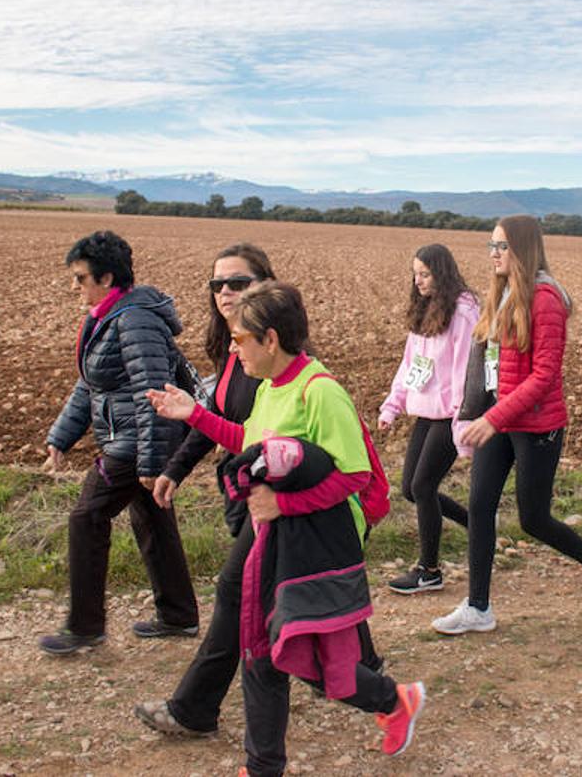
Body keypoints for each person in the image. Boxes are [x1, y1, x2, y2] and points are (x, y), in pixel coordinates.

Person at [147, 281, 425, 774]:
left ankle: (394, 701)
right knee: (260, 649)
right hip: (270, 536)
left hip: (315, 547)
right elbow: (249, 441)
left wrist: (284, 503)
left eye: (240, 339)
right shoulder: (271, 389)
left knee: (320, 666)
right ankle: (264, 765)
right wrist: (196, 415)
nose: (233, 349)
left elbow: (355, 474)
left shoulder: (321, 393)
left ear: (270, 339)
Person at [434, 215, 582, 635]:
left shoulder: (545, 300)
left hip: (537, 425)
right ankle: (478, 606)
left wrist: (492, 417)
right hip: (500, 418)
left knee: (533, 519)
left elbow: (543, 377)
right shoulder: (502, 295)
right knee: (480, 506)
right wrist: (475, 412)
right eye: (491, 245)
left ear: (523, 249)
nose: (494, 254)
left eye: (502, 246)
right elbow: (488, 366)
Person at [133, 243, 274, 737]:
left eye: (238, 283)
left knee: (237, 593)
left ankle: (193, 710)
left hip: (274, 500)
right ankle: (368, 678)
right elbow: (212, 417)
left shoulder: (276, 354)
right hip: (242, 491)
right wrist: (175, 468)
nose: (225, 293)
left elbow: (264, 440)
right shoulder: (234, 348)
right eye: (218, 284)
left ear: (264, 285)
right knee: (296, 593)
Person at [39, 230, 198, 655]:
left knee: (86, 517)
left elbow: (153, 390)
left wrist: (149, 461)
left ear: (106, 278)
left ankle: (84, 626)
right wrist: (61, 436)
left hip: (136, 439)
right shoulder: (108, 316)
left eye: (80, 278)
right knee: (151, 515)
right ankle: (178, 615)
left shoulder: (134, 319)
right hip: (133, 436)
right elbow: (91, 385)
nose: (74, 287)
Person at [377, 244, 479, 594]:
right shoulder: (423, 309)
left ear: (442, 273)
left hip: (450, 414)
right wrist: (392, 406)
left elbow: (467, 369)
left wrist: (462, 422)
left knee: (422, 487)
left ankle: (429, 570)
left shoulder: (463, 313)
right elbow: (411, 365)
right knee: (410, 489)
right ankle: (479, 524)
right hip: (425, 410)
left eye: (425, 274)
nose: (418, 280)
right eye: (415, 273)